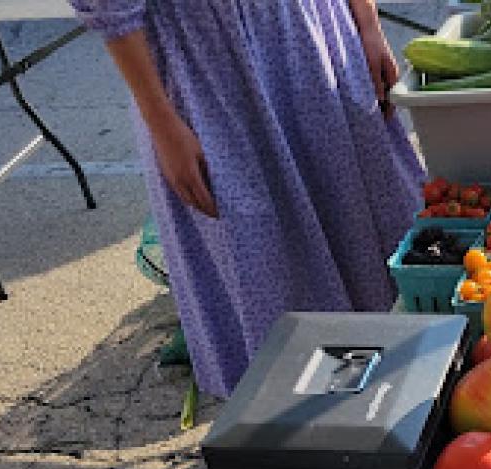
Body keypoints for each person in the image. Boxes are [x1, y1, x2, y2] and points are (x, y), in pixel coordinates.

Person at [70, 0, 425, 398]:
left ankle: (399, 402)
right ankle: (309, 424)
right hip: (212, 73)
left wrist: (368, 24)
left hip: (316, 39)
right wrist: (162, 121)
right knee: (268, 265)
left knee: (377, 236)